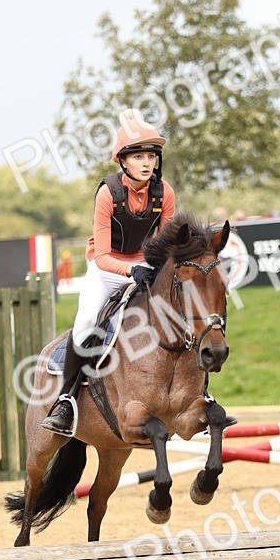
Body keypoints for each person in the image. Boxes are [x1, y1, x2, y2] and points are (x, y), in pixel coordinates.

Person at [42, 109, 176, 434]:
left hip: (144, 266)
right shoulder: (108, 194)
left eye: (150, 156)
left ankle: (193, 391)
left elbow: (167, 243)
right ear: (123, 161)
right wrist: (133, 270)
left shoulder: (164, 193)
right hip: (106, 269)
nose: (146, 163)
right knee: (87, 322)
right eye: (139, 156)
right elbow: (102, 256)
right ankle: (66, 402)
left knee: (178, 314)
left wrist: (156, 268)